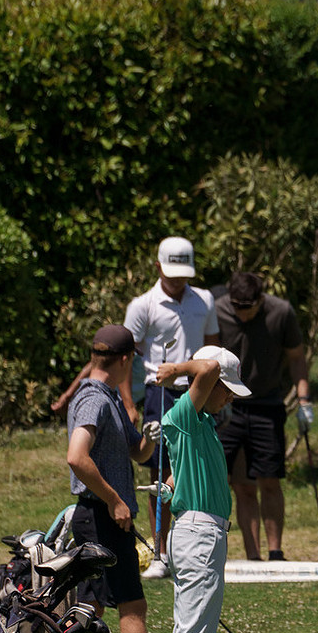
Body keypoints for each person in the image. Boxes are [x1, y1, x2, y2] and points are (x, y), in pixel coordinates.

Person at [65, 324, 172, 633]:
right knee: (132, 607)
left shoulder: (108, 397)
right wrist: (114, 500)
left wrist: (151, 436)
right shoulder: (93, 399)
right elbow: (77, 457)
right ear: (126, 360)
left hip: (102, 517)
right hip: (101, 517)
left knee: (87, 609)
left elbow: (137, 452)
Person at [156, 345, 251, 633]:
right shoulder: (185, 413)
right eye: (225, 389)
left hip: (201, 534)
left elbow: (186, 467)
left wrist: (172, 483)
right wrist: (178, 368)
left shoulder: (201, 422)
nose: (228, 397)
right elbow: (209, 367)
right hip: (199, 536)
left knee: (192, 632)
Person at [124, 237, 219, 577]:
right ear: (158, 267)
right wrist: (128, 403)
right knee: (159, 473)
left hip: (197, 391)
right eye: (172, 274)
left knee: (198, 469)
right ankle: (160, 553)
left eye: (183, 275)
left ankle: (195, 548)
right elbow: (126, 356)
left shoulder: (205, 300)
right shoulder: (143, 305)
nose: (178, 281)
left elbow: (213, 349)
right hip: (159, 394)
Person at [213, 271, 312, 562]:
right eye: (237, 307)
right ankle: (253, 556)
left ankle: (275, 552)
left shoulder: (281, 312)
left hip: (267, 405)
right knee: (241, 484)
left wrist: (304, 400)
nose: (242, 314)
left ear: (261, 299)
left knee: (269, 479)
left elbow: (296, 357)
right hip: (228, 405)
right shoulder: (217, 310)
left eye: (248, 308)